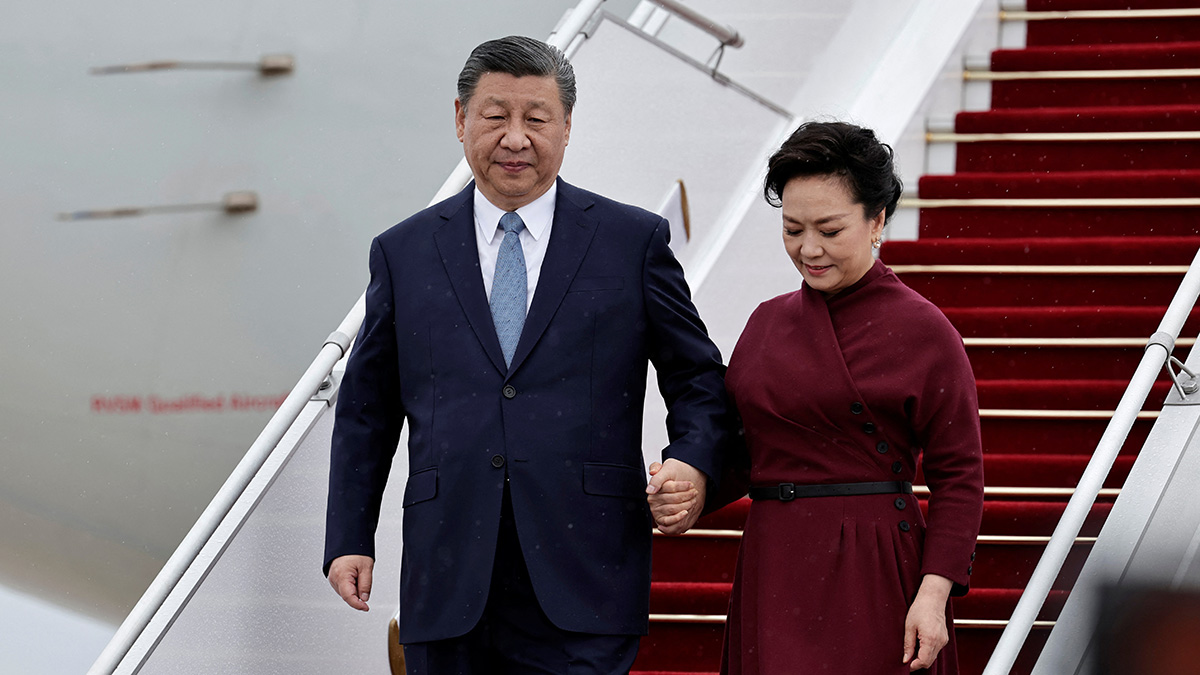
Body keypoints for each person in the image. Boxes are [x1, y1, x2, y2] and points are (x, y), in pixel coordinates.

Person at [322, 35, 729, 674]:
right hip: (449, 570)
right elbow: (366, 411)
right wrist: (349, 536)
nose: (516, 138)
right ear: (460, 120)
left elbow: (698, 377)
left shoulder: (631, 242)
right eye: (495, 116)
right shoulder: (403, 253)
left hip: (586, 570)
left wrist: (694, 463)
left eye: (536, 119)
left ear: (567, 127)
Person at [653, 121, 984, 673]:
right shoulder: (766, 322)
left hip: (875, 562)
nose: (809, 249)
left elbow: (960, 474)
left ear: (877, 221)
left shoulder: (925, 330)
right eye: (792, 229)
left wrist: (934, 593)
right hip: (775, 555)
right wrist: (690, 486)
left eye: (830, 230)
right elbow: (742, 453)